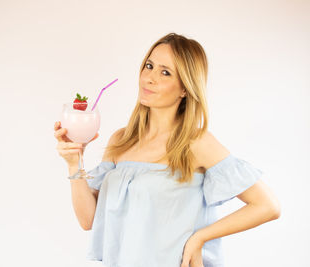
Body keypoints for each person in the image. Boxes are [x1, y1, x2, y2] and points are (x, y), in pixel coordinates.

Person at [54, 33, 281, 267]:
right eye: (149, 66)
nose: (149, 78)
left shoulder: (196, 142)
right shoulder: (121, 140)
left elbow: (267, 206)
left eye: (165, 72)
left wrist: (200, 238)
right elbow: (88, 220)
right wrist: (74, 162)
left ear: (185, 88)